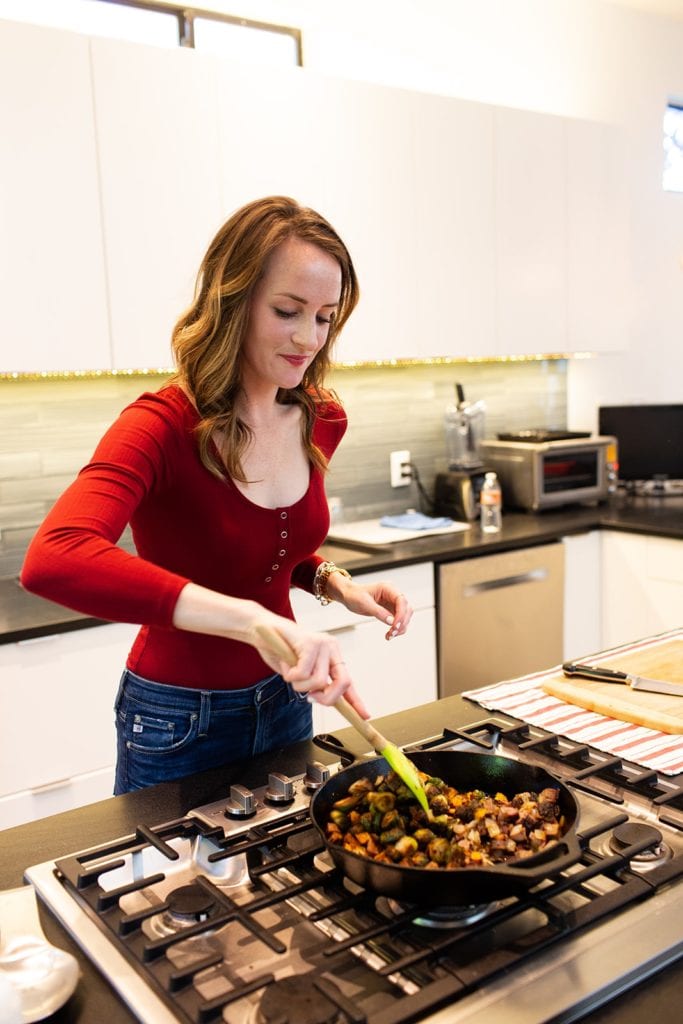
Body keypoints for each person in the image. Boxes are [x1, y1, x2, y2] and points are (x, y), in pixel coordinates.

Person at [21, 196, 413, 794]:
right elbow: (54, 557)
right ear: (233, 301)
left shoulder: (321, 420)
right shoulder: (160, 425)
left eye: (325, 317)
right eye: (288, 310)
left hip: (286, 697)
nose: (309, 338)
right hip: (180, 719)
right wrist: (254, 622)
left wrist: (335, 584)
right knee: (171, 889)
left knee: (288, 878)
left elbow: (256, 547)